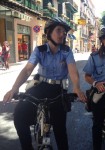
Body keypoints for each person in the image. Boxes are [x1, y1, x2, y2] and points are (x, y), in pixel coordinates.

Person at [3, 17, 87, 150]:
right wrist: (14, 89)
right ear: (49, 33)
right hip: (40, 87)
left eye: (64, 32)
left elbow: (73, 71)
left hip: (58, 89)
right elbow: (27, 70)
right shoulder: (40, 50)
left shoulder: (66, 51)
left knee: (60, 129)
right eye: (59, 31)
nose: (62, 35)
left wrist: (77, 87)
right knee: (19, 116)